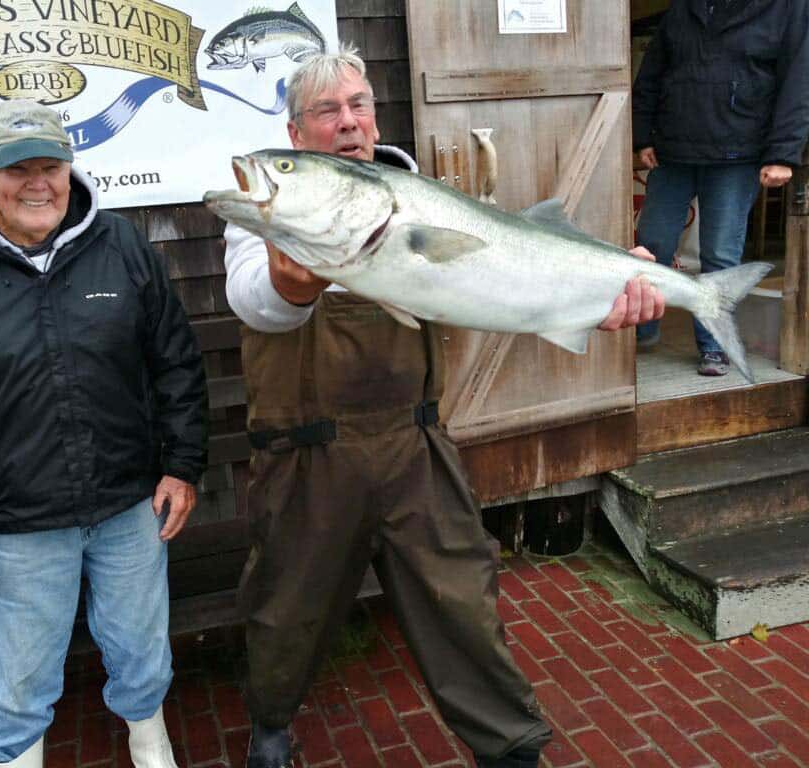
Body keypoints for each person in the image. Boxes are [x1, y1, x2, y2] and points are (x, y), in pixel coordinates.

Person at [224, 48, 665, 768]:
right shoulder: (268, 214)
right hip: (307, 458)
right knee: (285, 607)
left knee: (462, 597)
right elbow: (256, 301)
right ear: (295, 133)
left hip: (415, 446)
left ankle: (512, 746)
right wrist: (295, 285)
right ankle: (271, 727)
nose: (347, 122)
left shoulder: (420, 198)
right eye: (325, 112)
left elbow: (505, 283)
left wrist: (599, 295)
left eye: (358, 104)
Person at [0, 100, 208, 768]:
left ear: (70, 166)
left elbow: (175, 363)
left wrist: (183, 463)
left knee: (142, 650)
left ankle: (150, 739)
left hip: (128, 508)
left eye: (49, 165)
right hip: (16, 525)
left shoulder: (121, 248)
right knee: (20, 684)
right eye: (14, 167)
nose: (36, 183)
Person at [632, 0, 809, 376]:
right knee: (650, 246)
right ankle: (641, 329)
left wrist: (782, 153)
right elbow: (652, 72)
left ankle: (714, 346)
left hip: (739, 150)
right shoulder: (684, 7)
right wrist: (642, 135)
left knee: (719, 255)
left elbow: (799, 84)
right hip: (674, 150)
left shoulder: (789, 8)